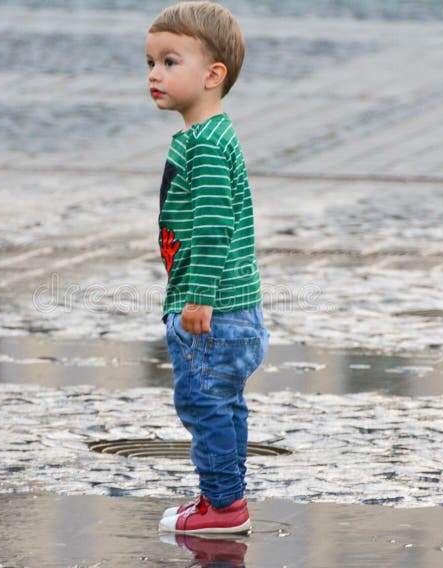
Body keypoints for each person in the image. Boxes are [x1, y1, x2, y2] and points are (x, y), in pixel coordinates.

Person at [147, 1, 270, 534]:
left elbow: (214, 228)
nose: (155, 74)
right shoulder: (208, 137)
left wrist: (198, 299)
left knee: (202, 405)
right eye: (150, 63)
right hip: (231, 310)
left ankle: (223, 508)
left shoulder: (207, 146)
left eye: (170, 62)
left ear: (213, 75)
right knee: (223, 405)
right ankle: (222, 498)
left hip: (213, 314)